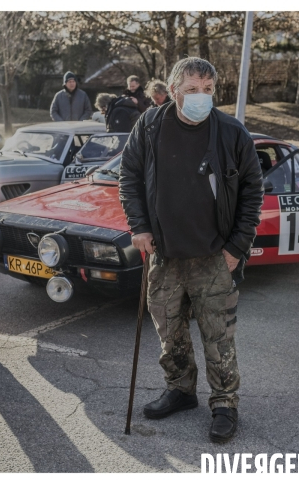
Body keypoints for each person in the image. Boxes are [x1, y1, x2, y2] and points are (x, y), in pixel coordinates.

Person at [119, 57, 263, 443]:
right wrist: (140, 227)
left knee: (218, 337)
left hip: (215, 256)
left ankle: (224, 403)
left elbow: (253, 192)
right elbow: (129, 175)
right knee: (170, 331)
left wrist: (237, 247)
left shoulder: (231, 132)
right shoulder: (149, 125)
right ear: (173, 89)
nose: (201, 97)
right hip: (165, 254)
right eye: (192, 89)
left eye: (208, 90)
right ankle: (180, 390)